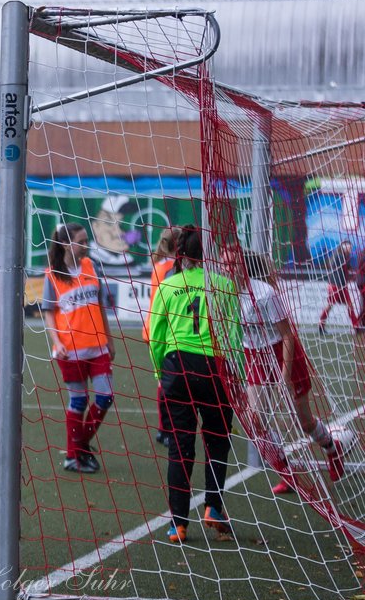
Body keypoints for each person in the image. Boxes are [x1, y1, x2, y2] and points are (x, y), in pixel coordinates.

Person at [147, 226, 239, 543]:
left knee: (181, 448)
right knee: (216, 440)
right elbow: (233, 336)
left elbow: (155, 337)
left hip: (178, 368)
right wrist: (233, 375)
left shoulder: (167, 286)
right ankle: (213, 505)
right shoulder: (225, 286)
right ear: (207, 254)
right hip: (213, 368)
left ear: (180, 253)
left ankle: (178, 524)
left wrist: (162, 373)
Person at [239, 250, 343, 494]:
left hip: (283, 353)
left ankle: (331, 447)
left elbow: (287, 335)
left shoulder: (265, 292)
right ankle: (289, 474)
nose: (223, 267)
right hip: (256, 357)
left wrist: (284, 376)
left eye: (230, 263)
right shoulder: (223, 293)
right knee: (256, 421)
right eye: (221, 262)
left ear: (242, 267)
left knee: (304, 421)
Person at [41, 223, 115, 474]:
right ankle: (74, 457)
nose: (86, 245)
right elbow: (49, 313)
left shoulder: (90, 266)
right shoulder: (51, 274)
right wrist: (57, 342)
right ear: (65, 244)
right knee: (79, 401)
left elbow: (101, 305)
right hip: (70, 351)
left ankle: (78, 449)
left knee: (105, 397)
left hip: (98, 347)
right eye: (81, 241)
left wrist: (110, 340)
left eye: (86, 240)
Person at [145, 227, 181, 447]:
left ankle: (164, 428)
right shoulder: (171, 268)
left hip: (154, 327)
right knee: (168, 382)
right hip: (167, 329)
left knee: (163, 380)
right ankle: (166, 428)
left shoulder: (158, 265)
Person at [317, 240, 356, 333]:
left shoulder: (343, 256)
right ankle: (321, 324)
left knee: (349, 305)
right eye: (349, 248)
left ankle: (356, 326)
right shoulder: (338, 256)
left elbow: (346, 268)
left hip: (341, 285)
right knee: (330, 305)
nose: (350, 250)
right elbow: (334, 266)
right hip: (335, 286)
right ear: (344, 247)